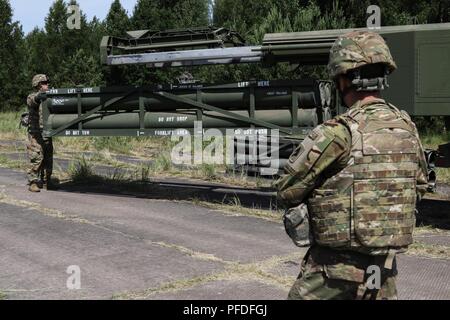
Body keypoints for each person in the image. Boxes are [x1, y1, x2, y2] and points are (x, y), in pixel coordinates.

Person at [275, 31, 428, 300]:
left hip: (333, 274)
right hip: (382, 272)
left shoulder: (338, 132)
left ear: (343, 79)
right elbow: (419, 186)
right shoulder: (408, 129)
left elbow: (286, 190)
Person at [26, 74, 55, 192]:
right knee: (36, 157)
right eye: (44, 83)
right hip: (35, 133)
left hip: (47, 132)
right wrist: (41, 96)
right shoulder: (32, 96)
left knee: (48, 157)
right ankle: (33, 182)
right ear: (37, 85)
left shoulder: (49, 96)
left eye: (47, 82)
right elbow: (33, 100)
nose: (47, 85)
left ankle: (48, 181)